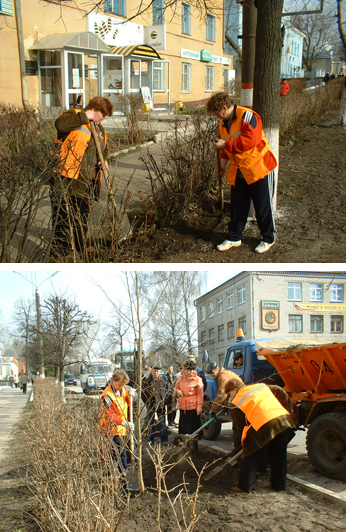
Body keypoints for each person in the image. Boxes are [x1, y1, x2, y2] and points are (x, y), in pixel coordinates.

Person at [206, 91, 277, 254]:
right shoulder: (223, 123)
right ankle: (234, 237)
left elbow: (250, 141)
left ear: (224, 108)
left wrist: (226, 146)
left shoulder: (249, 117)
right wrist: (223, 164)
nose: (217, 116)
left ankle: (268, 238)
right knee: (238, 205)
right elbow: (223, 146)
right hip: (239, 169)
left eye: (218, 113)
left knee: (262, 206)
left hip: (259, 167)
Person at [51, 96, 113, 257]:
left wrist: (103, 161)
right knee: (63, 217)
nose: (103, 119)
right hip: (66, 177)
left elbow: (102, 149)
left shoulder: (99, 129)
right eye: (102, 115)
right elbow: (60, 125)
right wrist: (86, 116)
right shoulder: (74, 115)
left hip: (86, 181)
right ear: (94, 109)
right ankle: (60, 252)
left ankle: (81, 245)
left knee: (82, 216)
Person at [225, 379, 296, 493]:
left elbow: (241, 428)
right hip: (284, 420)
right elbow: (279, 390)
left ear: (234, 390)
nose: (230, 397)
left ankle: (244, 486)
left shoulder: (237, 402)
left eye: (229, 394)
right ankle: (279, 486)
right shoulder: (259, 387)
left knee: (251, 456)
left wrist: (245, 445)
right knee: (279, 455)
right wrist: (288, 408)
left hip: (264, 424)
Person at [99, 369, 134, 477]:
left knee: (121, 450)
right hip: (109, 428)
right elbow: (110, 414)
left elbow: (126, 403)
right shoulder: (107, 395)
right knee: (114, 452)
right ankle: (111, 474)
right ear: (113, 381)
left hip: (120, 428)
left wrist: (130, 398)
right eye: (119, 384)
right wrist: (123, 422)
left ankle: (122, 473)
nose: (121, 387)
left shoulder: (123, 390)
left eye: (123, 385)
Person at [206, 361, 244, 452]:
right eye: (210, 373)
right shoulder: (223, 374)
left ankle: (238, 449)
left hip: (239, 402)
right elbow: (227, 392)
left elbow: (221, 394)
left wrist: (213, 410)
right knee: (237, 426)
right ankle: (239, 448)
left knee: (237, 426)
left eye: (212, 372)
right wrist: (226, 405)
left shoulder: (222, 376)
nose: (211, 375)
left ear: (217, 368)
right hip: (236, 400)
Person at [174, 360, 204, 452]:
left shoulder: (198, 380)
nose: (189, 372)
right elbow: (176, 387)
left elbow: (200, 394)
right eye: (188, 369)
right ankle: (185, 448)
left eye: (191, 370)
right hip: (183, 407)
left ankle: (194, 449)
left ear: (194, 370)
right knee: (184, 429)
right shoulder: (180, 378)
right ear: (185, 370)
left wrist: (199, 407)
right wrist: (177, 391)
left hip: (193, 408)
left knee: (194, 430)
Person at [142, 365, 170, 445]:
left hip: (160, 405)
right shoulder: (147, 382)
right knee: (150, 422)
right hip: (150, 405)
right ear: (151, 371)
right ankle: (151, 439)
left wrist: (164, 401)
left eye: (157, 371)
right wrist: (146, 402)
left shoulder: (163, 381)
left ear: (160, 372)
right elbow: (143, 393)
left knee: (162, 422)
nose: (156, 373)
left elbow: (169, 392)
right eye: (154, 371)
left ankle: (164, 440)